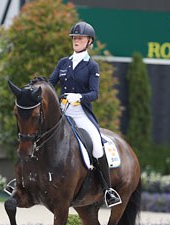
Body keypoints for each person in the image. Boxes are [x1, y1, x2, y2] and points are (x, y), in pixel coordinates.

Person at [49, 21, 121, 208]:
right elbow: (50, 84)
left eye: (80, 38)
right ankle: (25, 181)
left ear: (89, 42)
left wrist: (78, 97)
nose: (76, 40)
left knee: (97, 146)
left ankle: (107, 190)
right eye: (74, 37)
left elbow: (94, 94)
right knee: (40, 136)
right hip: (63, 111)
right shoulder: (63, 63)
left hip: (81, 113)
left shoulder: (92, 66)